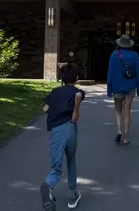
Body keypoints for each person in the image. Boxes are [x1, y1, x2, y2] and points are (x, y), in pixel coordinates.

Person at [41, 64, 85, 211]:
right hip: (70, 128)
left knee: (56, 166)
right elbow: (78, 95)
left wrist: (53, 108)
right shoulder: (76, 91)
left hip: (56, 131)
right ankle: (73, 194)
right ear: (76, 78)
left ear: (62, 78)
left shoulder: (54, 92)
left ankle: (48, 186)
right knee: (71, 160)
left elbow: (45, 108)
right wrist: (75, 111)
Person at [107, 35, 139, 145]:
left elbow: (110, 73)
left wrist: (109, 89)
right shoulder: (134, 55)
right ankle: (126, 137)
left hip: (117, 87)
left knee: (118, 110)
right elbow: (138, 73)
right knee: (127, 111)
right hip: (130, 87)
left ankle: (119, 130)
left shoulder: (114, 55)